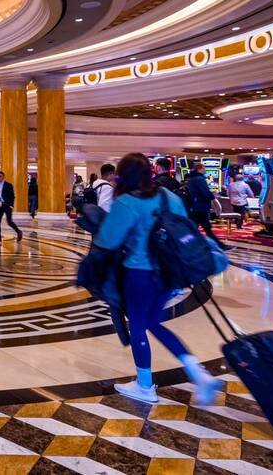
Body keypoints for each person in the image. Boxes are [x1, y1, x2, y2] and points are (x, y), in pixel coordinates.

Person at [95, 152, 223, 405]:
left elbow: (107, 240)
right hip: (169, 272)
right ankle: (198, 373)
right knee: (153, 322)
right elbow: (185, 229)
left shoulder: (127, 202)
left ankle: (144, 385)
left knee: (139, 325)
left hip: (140, 272)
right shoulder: (171, 197)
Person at [186, 162, 227, 250]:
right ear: (199, 169)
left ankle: (188, 245)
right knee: (206, 228)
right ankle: (220, 245)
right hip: (201, 206)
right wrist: (213, 195)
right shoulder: (199, 179)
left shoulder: (192, 178)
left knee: (197, 228)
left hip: (195, 206)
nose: (205, 170)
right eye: (204, 168)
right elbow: (205, 193)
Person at [0, 170, 22, 243]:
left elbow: (12, 196)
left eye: (0, 176)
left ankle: (19, 231)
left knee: (9, 221)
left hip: (7, 205)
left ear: (3, 177)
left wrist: (11, 205)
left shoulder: (8, 185)